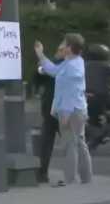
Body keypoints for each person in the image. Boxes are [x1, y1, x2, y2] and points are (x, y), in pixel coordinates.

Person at [35, 34, 93, 186]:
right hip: (78, 109)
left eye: (63, 43)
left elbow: (69, 91)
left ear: (69, 48)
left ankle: (71, 180)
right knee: (80, 143)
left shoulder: (71, 67)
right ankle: (86, 178)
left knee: (70, 145)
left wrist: (65, 113)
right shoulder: (74, 62)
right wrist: (40, 54)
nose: (61, 46)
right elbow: (53, 70)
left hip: (71, 110)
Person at [34, 45, 63, 183]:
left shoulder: (69, 64)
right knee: (46, 141)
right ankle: (42, 172)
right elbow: (38, 79)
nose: (58, 52)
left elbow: (53, 71)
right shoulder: (53, 63)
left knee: (73, 142)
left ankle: (80, 171)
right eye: (58, 49)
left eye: (61, 49)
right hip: (50, 109)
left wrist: (41, 56)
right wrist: (40, 70)